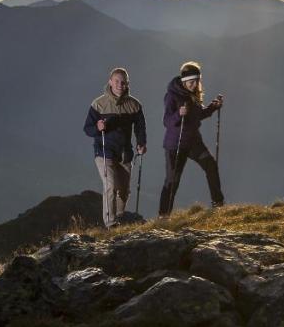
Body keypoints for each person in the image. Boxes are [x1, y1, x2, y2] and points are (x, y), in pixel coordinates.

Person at [158, 61, 225, 216]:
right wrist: (178, 114)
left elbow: (199, 115)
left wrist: (213, 107)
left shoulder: (193, 96)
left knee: (211, 165)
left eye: (196, 81)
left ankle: (218, 203)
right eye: (191, 82)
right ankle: (163, 216)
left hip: (194, 141)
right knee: (172, 181)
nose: (194, 85)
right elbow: (166, 121)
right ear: (184, 80)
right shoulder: (172, 96)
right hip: (176, 144)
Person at [83, 67, 147, 228]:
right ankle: (110, 224)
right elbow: (87, 128)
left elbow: (140, 127)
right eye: (116, 81)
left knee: (124, 191)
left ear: (127, 84)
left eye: (123, 82)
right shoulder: (98, 104)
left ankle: (118, 216)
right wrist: (97, 128)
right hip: (104, 152)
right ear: (110, 82)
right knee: (110, 186)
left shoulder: (134, 105)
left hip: (125, 153)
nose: (120, 84)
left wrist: (141, 143)